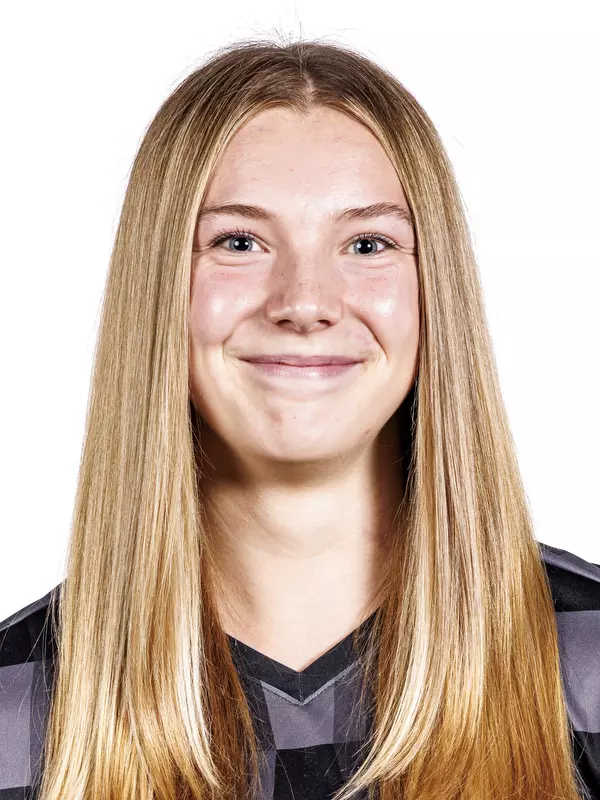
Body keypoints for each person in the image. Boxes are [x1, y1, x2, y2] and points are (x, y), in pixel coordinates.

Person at [1, 36, 599, 800]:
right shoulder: (17, 703)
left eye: (367, 242)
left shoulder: (587, 658)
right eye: (239, 241)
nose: (305, 302)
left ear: (433, 290)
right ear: (157, 291)